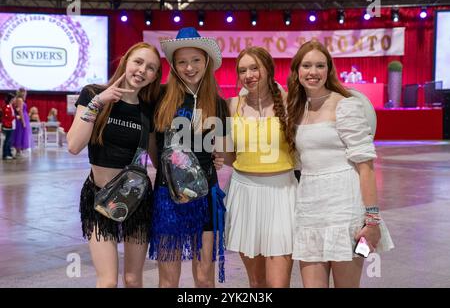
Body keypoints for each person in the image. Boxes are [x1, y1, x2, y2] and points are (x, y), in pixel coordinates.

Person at [286, 41, 394, 288]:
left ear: (328, 70)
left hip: (347, 210)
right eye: (307, 65)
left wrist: (372, 221)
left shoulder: (347, 105)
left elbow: (366, 167)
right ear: (297, 71)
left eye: (320, 65)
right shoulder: (296, 108)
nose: (313, 72)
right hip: (309, 209)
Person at [66, 42, 162, 288]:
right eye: (138, 62)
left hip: (137, 200)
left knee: (132, 279)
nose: (142, 70)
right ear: (126, 62)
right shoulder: (93, 94)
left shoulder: (147, 109)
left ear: (154, 76)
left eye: (150, 68)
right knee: (108, 282)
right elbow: (74, 145)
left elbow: (157, 157)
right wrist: (98, 103)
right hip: (98, 199)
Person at [149, 27, 230, 288]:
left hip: (206, 197)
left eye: (195, 60)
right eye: (182, 61)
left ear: (206, 61)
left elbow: (225, 150)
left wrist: (219, 156)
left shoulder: (218, 102)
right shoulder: (160, 97)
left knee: (205, 279)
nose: (189, 67)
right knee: (168, 280)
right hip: (167, 197)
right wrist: (170, 173)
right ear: (173, 66)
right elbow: (153, 146)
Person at [225, 47, 297, 288]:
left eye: (255, 68)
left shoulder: (290, 102)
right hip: (244, 194)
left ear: (269, 69)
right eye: (242, 70)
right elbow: (228, 154)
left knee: (278, 284)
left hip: (281, 194)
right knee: (256, 284)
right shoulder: (232, 104)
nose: (249, 75)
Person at [11, 88, 33, 156]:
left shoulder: (18, 99)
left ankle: (19, 151)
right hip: (21, 120)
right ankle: (18, 151)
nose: (26, 94)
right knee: (20, 134)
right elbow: (20, 111)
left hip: (23, 118)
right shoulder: (20, 100)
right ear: (22, 93)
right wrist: (23, 122)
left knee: (21, 134)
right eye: (25, 92)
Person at [1, 93, 16, 160]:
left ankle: (9, 154)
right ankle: (5, 155)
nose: (15, 100)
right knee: (7, 140)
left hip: (11, 125)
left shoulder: (11, 106)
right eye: (14, 99)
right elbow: (7, 117)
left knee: (9, 141)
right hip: (8, 126)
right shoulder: (6, 106)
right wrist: (15, 117)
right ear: (11, 99)